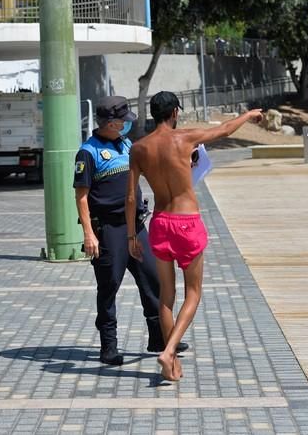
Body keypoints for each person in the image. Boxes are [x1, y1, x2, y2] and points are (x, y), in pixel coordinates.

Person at [125, 91, 262, 381]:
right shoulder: (185, 138)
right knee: (193, 293)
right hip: (187, 222)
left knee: (166, 295)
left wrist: (131, 236)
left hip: (160, 223)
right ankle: (169, 350)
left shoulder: (138, 148)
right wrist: (249, 115)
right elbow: (224, 130)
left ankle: (172, 365)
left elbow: (129, 198)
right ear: (174, 112)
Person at [74, 95, 187, 366]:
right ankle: (108, 346)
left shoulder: (126, 145)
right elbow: (81, 197)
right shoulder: (88, 152)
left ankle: (158, 338)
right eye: (122, 121)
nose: (126, 125)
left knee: (152, 279)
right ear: (111, 123)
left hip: (135, 225)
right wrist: (89, 234)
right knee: (109, 286)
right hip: (109, 229)